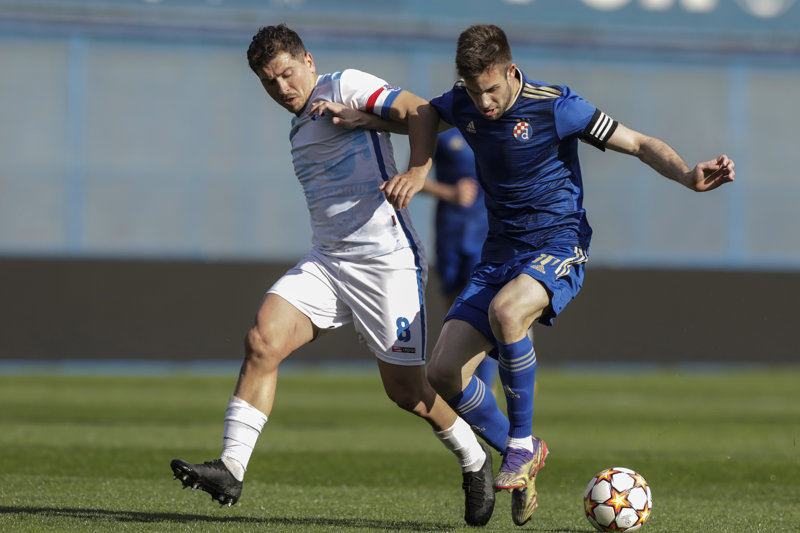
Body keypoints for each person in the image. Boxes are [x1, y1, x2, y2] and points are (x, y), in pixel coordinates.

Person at [380, 24, 735, 527]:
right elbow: (422, 113)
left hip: (557, 243)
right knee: (441, 373)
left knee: (508, 312)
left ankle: (520, 443)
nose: (484, 103)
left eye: (491, 90)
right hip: (498, 254)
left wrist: (686, 175)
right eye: (475, 92)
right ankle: (523, 451)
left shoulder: (557, 107)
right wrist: (368, 124)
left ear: (511, 71)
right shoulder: (463, 102)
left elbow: (638, 142)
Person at [169, 24, 497, 527]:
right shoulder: (299, 128)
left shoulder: (344, 84)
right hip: (328, 262)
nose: (281, 87)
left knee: (407, 392)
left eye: (286, 73)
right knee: (261, 340)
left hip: (386, 263)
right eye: (269, 81)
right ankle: (231, 468)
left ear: (308, 61)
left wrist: (417, 173)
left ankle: (475, 459)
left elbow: (422, 111)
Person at [424, 129, 498, 389]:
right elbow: (414, 178)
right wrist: (450, 192)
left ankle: (486, 388)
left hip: (487, 233)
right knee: (454, 312)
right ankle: (459, 387)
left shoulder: (497, 127)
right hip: (451, 232)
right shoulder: (441, 130)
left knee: (484, 309)